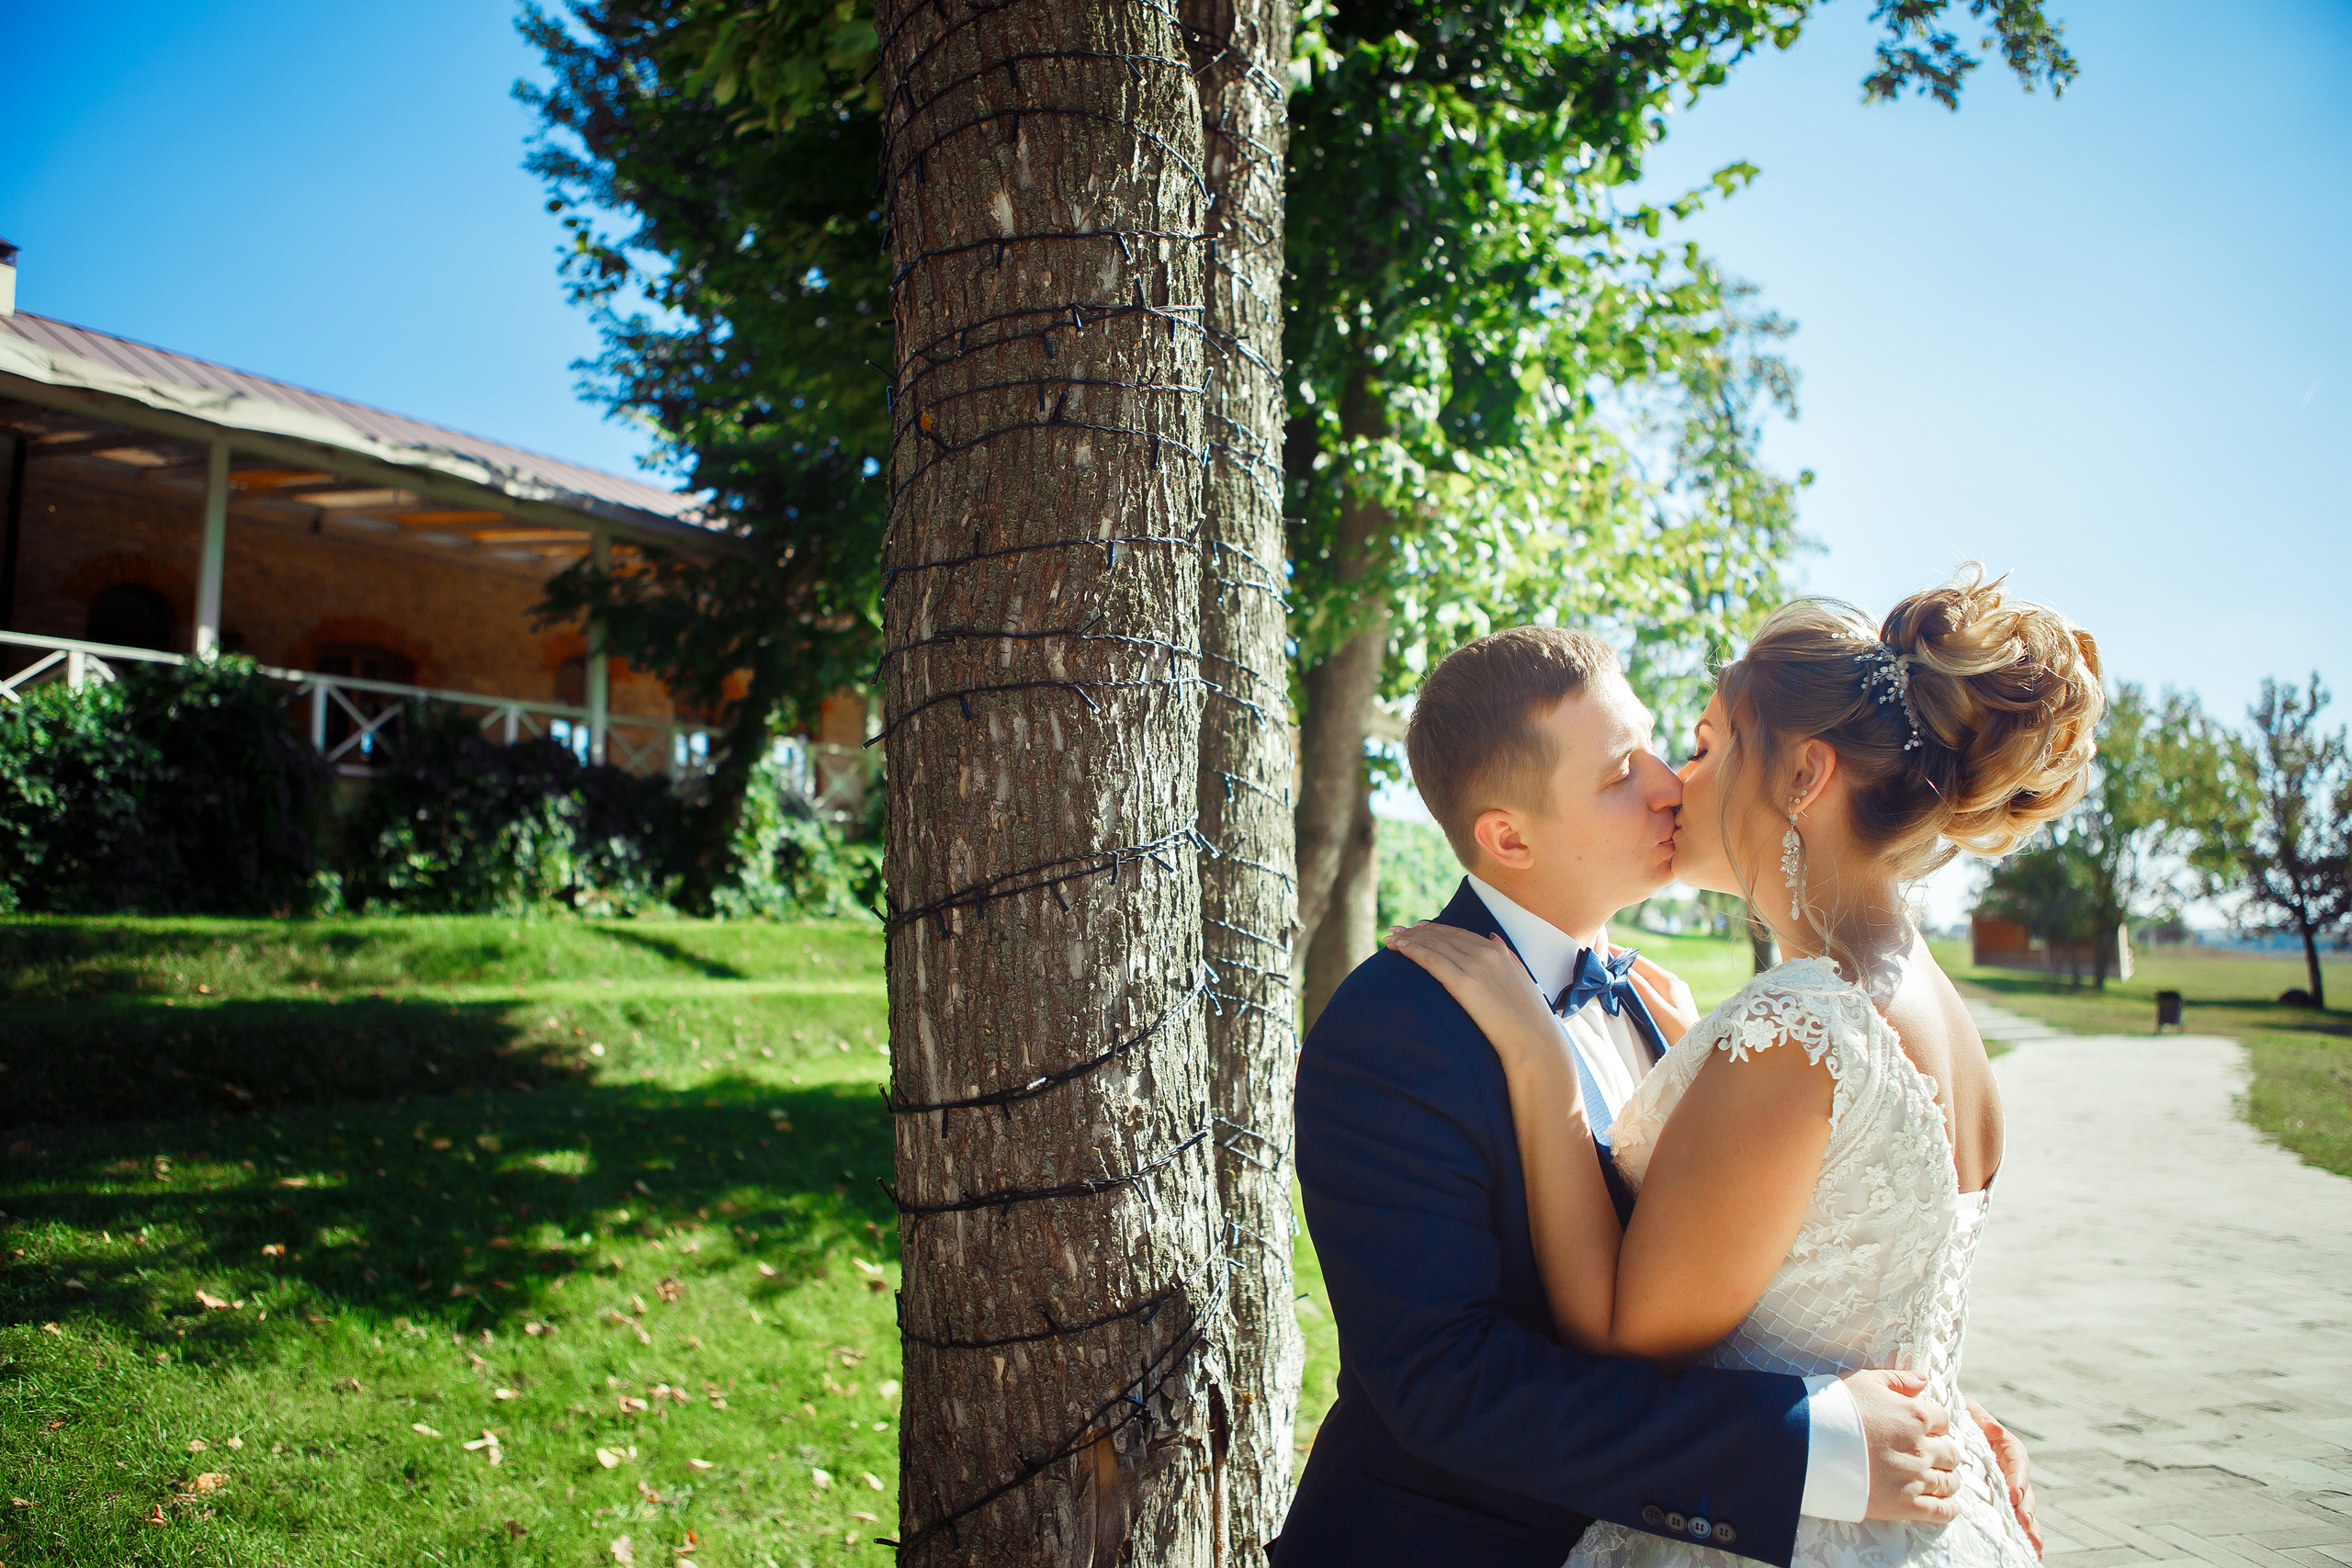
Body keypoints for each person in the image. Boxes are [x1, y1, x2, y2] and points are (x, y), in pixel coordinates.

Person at [1368, 569, 2099, 1568]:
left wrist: (1541, 1071)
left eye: (1707, 744)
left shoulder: (1799, 1027)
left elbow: (1630, 1337)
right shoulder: (1929, 1008)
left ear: (1802, 777)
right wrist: (1945, 1409)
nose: (1676, 778)